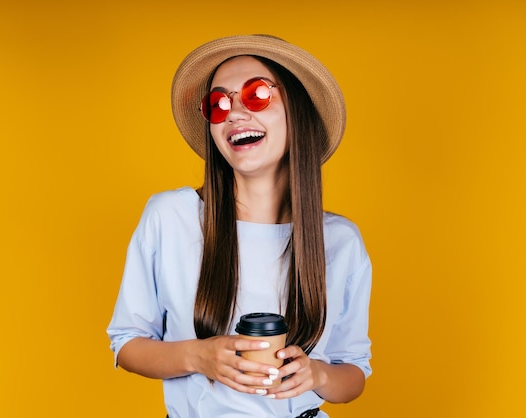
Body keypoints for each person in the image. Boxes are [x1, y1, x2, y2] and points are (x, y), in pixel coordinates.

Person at [107, 34, 372, 418]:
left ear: (296, 111)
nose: (233, 113)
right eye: (218, 104)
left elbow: (353, 373)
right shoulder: (170, 217)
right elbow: (127, 345)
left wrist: (316, 375)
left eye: (257, 95)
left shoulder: (340, 241)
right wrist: (199, 357)